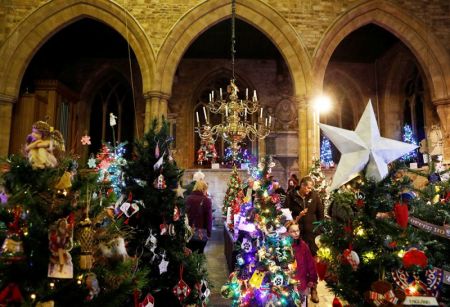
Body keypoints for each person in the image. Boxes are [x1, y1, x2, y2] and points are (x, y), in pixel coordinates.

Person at [286, 176, 324, 301]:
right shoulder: (291, 196)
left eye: (311, 188)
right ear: (302, 185)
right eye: (307, 187)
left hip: (312, 234)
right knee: (298, 262)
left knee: (313, 262)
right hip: (297, 234)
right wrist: (296, 218)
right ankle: (297, 288)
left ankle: (314, 289)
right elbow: (285, 214)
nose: (309, 190)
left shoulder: (315, 196)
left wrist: (319, 230)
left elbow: (320, 214)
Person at [286, 221, 319, 303]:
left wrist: (312, 279)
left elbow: (310, 263)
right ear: (287, 233)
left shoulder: (303, 245)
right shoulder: (285, 248)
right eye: (293, 231)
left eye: (297, 230)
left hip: (302, 283)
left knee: (302, 302)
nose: (296, 233)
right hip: (289, 284)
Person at [185, 180, 212, 253]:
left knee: (188, 253)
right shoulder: (206, 200)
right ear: (204, 189)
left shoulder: (187, 199)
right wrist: (209, 233)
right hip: (201, 234)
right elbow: (209, 219)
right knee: (199, 254)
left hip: (188, 232)